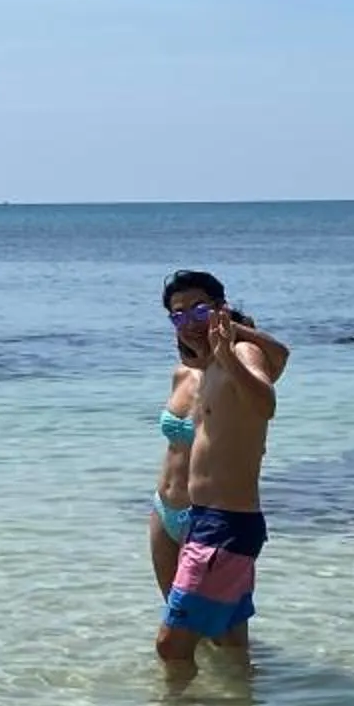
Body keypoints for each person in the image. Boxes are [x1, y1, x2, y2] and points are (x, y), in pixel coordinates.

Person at [155, 271, 282, 675]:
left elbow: (266, 403)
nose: (189, 321)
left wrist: (229, 348)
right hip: (178, 515)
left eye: (199, 309)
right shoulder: (192, 370)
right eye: (178, 315)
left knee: (173, 644)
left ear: (220, 308)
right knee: (222, 637)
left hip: (223, 522)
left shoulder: (240, 355)